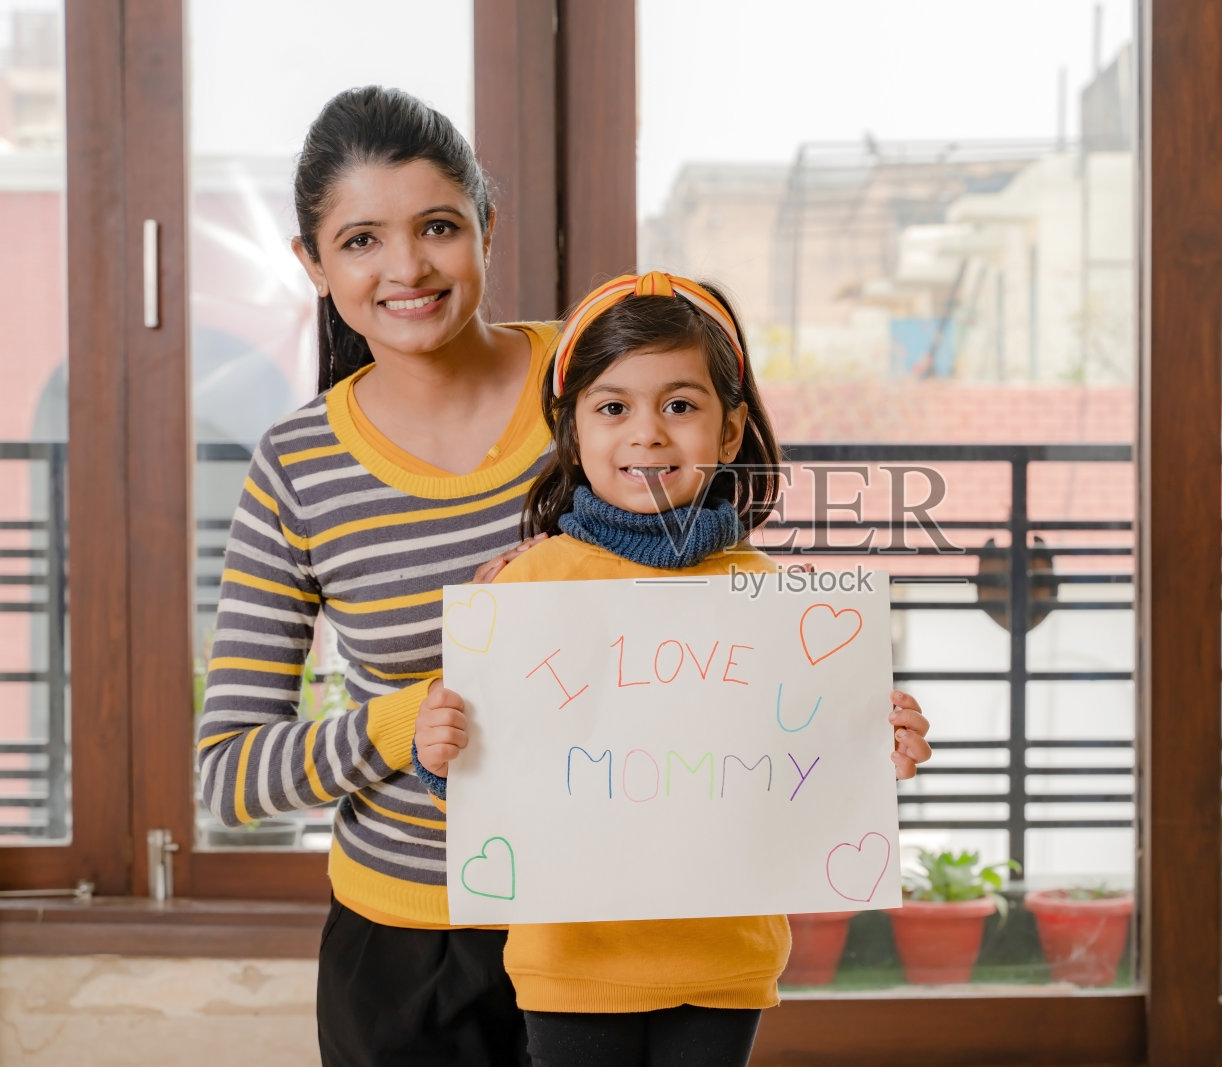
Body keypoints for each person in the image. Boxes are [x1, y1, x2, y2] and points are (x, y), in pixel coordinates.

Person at [413, 272, 933, 1067]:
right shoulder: (520, 589)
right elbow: (483, 781)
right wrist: (439, 750)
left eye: (680, 405)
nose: (647, 433)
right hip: (569, 961)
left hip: (726, 960)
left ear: (729, 435)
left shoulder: (783, 602)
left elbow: (808, 772)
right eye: (613, 406)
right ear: (573, 432)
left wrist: (876, 748)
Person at [195, 85, 557, 1066]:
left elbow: (722, 609)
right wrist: (405, 721)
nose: (406, 267)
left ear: (486, 222)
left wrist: (843, 714)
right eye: (359, 241)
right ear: (310, 263)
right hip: (406, 956)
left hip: (609, 926)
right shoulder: (297, 467)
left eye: (438, 225)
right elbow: (228, 773)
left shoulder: (598, 388)